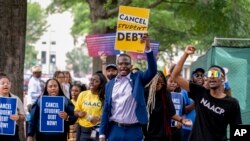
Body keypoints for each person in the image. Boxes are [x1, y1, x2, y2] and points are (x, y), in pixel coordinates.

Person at [171, 45, 242, 141]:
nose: (212, 77)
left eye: (215, 74)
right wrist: (185, 54)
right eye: (209, 74)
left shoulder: (232, 103)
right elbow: (175, 76)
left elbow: (239, 130)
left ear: (223, 79)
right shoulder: (200, 92)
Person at [99, 34, 157, 141]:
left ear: (131, 66)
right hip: (115, 130)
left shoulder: (138, 78)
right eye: (120, 64)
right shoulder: (110, 84)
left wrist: (148, 48)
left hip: (134, 131)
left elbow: (152, 71)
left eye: (126, 63)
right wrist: (102, 133)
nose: (123, 66)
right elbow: (106, 110)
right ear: (117, 66)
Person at [143, 71, 191, 141]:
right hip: (148, 134)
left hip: (163, 134)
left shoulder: (165, 94)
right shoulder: (145, 93)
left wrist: (182, 120)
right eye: (157, 83)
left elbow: (171, 113)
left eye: (161, 83)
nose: (159, 85)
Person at [74, 73, 107, 141]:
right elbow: (76, 111)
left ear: (101, 84)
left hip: (97, 130)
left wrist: (99, 118)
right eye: (91, 80)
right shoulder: (83, 94)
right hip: (83, 130)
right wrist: (78, 114)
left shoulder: (105, 97)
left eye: (96, 81)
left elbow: (108, 114)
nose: (92, 82)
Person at [0, 72, 25, 141]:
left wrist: (18, 117)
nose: (6, 85)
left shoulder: (16, 99)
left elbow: (24, 116)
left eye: (8, 83)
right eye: (3, 83)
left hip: (12, 132)